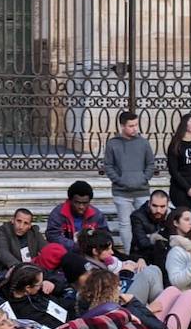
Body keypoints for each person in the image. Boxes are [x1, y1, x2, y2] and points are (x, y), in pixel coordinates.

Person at [99, 111, 155, 254]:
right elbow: (108, 165)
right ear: (122, 126)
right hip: (121, 191)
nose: (135, 128)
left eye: (136, 125)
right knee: (125, 224)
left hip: (142, 190)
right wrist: (119, 180)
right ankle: (130, 253)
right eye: (131, 126)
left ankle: (146, 252)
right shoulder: (113, 144)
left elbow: (150, 163)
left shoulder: (143, 143)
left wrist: (144, 178)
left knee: (146, 223)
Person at [45, 180, 109, 250]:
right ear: (70, 200)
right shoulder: (58, 213)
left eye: (85, 203)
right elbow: (53, 236)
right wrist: (78, 247)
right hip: (65, 252)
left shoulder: (96, 215)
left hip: (90, 251)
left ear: (89, 201)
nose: (81, 207)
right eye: (77, 203)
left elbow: (105, 235)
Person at [165, 116, 191, 209]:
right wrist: (187, 188)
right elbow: (174, 171)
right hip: (181, 189)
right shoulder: (176, 145)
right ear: (185, 124)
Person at [128, 190, 172, 268]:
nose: (158, 210)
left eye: (162, 206)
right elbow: (142, 243)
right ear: (149, 204)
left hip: (166, 257)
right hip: (142, 256)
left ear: (167, 205)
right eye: (154, 206)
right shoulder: (137, 216)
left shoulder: (172, 215)